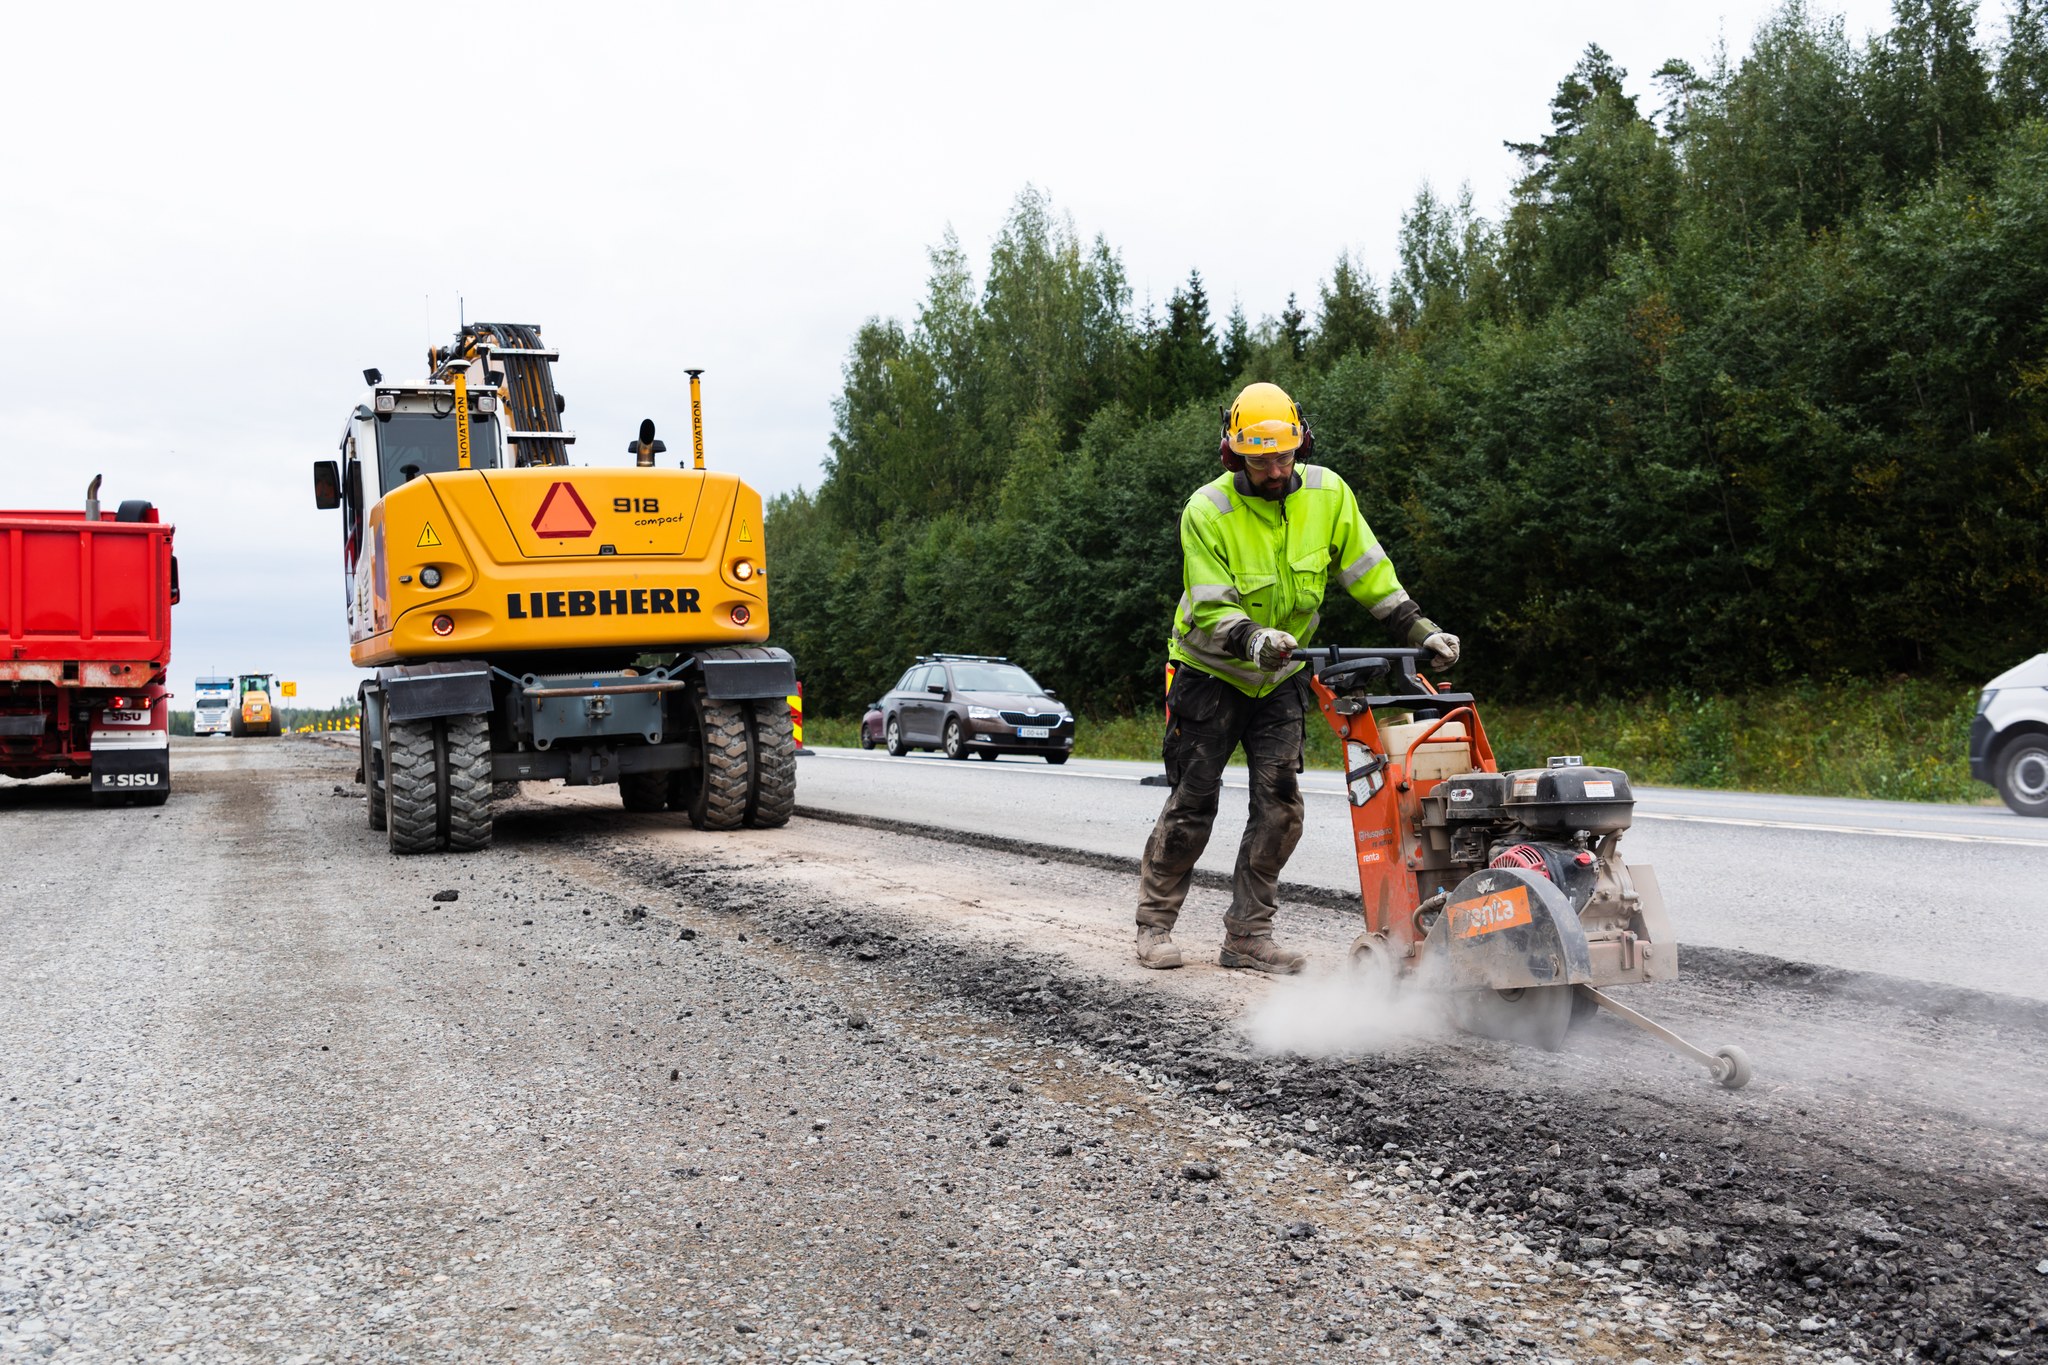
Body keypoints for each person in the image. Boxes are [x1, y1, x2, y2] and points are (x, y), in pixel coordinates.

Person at [1135, 381, 1459, 974]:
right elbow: (1209, 604)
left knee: (1280, 806)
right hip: (1209, 671)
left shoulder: (1328, 493)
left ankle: (1247, 936)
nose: (1276, 468)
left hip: (1280, 675)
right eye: (1262, 460)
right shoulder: (1207, 511)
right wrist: (1252, 638)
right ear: (1236, 456)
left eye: (1285, 455)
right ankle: (1155, 925)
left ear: (1300, 444)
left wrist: (1421, 631)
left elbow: (1369, 572)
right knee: (1192, 803)